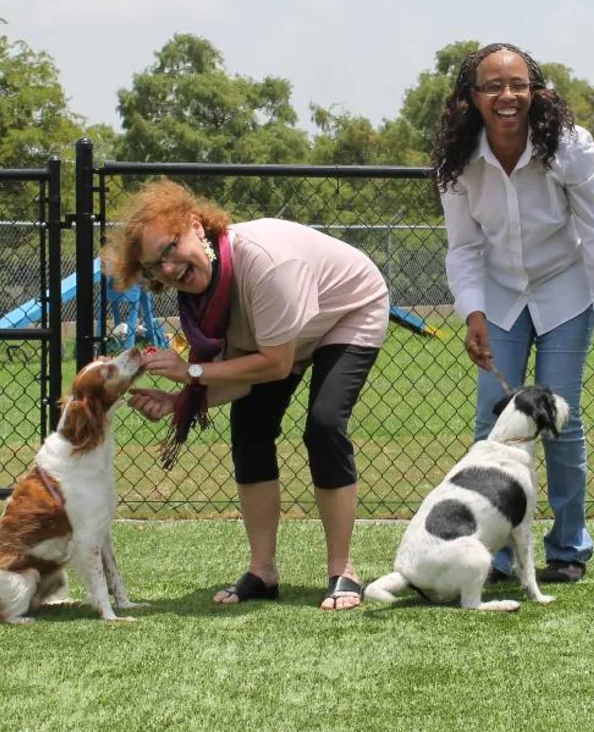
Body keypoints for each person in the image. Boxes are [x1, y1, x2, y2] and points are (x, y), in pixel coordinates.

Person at [102, 178, 390, 612]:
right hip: (284, 333)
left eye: (170, 247)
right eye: (153, 266)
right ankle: (263, 571)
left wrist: (189, 373)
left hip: (348, 310)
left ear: (196, 226)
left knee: (325, 423)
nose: (167, 268)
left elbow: (272, 365)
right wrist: (179, 400)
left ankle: (342, 569)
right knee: (250, 426)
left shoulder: (263, 264)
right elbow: (241, 380)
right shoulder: (203, 300)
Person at [431, 41, 594, 584]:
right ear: (472, 97)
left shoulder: (570, 146)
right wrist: (472, 313)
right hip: (497, 293)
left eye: (518, 84)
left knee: (561, 421)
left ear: (535, 91)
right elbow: (464, 247)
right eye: (493, 86)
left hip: (565, 290)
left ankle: (568, 548)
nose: (507, 96)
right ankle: (492, 549)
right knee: (492, 422)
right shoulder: (458, 157)